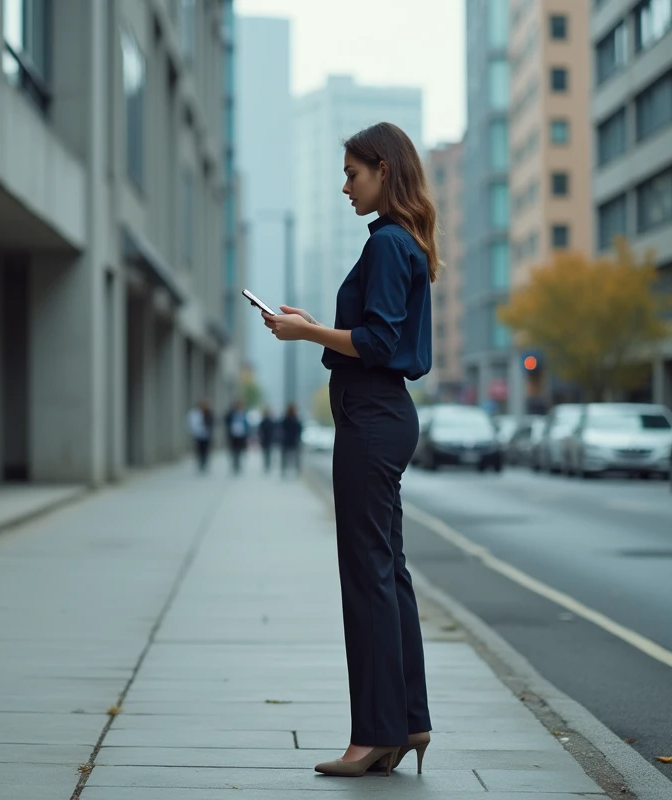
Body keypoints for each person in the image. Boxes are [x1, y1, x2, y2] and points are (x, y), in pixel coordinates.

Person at [259, 122, 435, 778]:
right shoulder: (400, 242)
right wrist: (316, 327)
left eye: (353, 173)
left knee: (369, 576)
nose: (344, 185)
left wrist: (307, 334)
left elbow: (380, 343)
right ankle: (408, 720)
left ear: (384, 170)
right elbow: (376, 334)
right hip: (383, 416)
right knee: (388, 571)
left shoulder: (389, 243)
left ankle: (375, 737)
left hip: (372, 418)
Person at [186, 398, 214, 473]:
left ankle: (204, 463)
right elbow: (191, 423)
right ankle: (200, 463)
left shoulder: (209, 413)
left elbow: (211, 422)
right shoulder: (195, 413)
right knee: (198, 450)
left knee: (206, 450)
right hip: (198, 435)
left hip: (206, 435)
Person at [224, 400, 249, 474]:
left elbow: (246, 424)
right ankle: (235, 464)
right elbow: (227, 420)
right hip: (233, 435)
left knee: (240, 451)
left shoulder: (243, 414)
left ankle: (238, 464)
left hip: (241, 435)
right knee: (234, 450)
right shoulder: (231, 414)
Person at [280, 403, 303, 477]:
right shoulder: (296, 420)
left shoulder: (285, 419)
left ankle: (284, 472)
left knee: (285, 458)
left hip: (287, 441)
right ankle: (297, 472)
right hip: (293, 441)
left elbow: (282, 429)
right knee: (296, 458)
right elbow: (299, 430)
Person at [257, 407, 277, 473]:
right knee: (267, 453)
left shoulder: (267, 421)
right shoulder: (266, 421)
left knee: (267, 453)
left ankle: (267, 465)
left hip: (267, 439)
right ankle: (267, 465)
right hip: (266, 439)